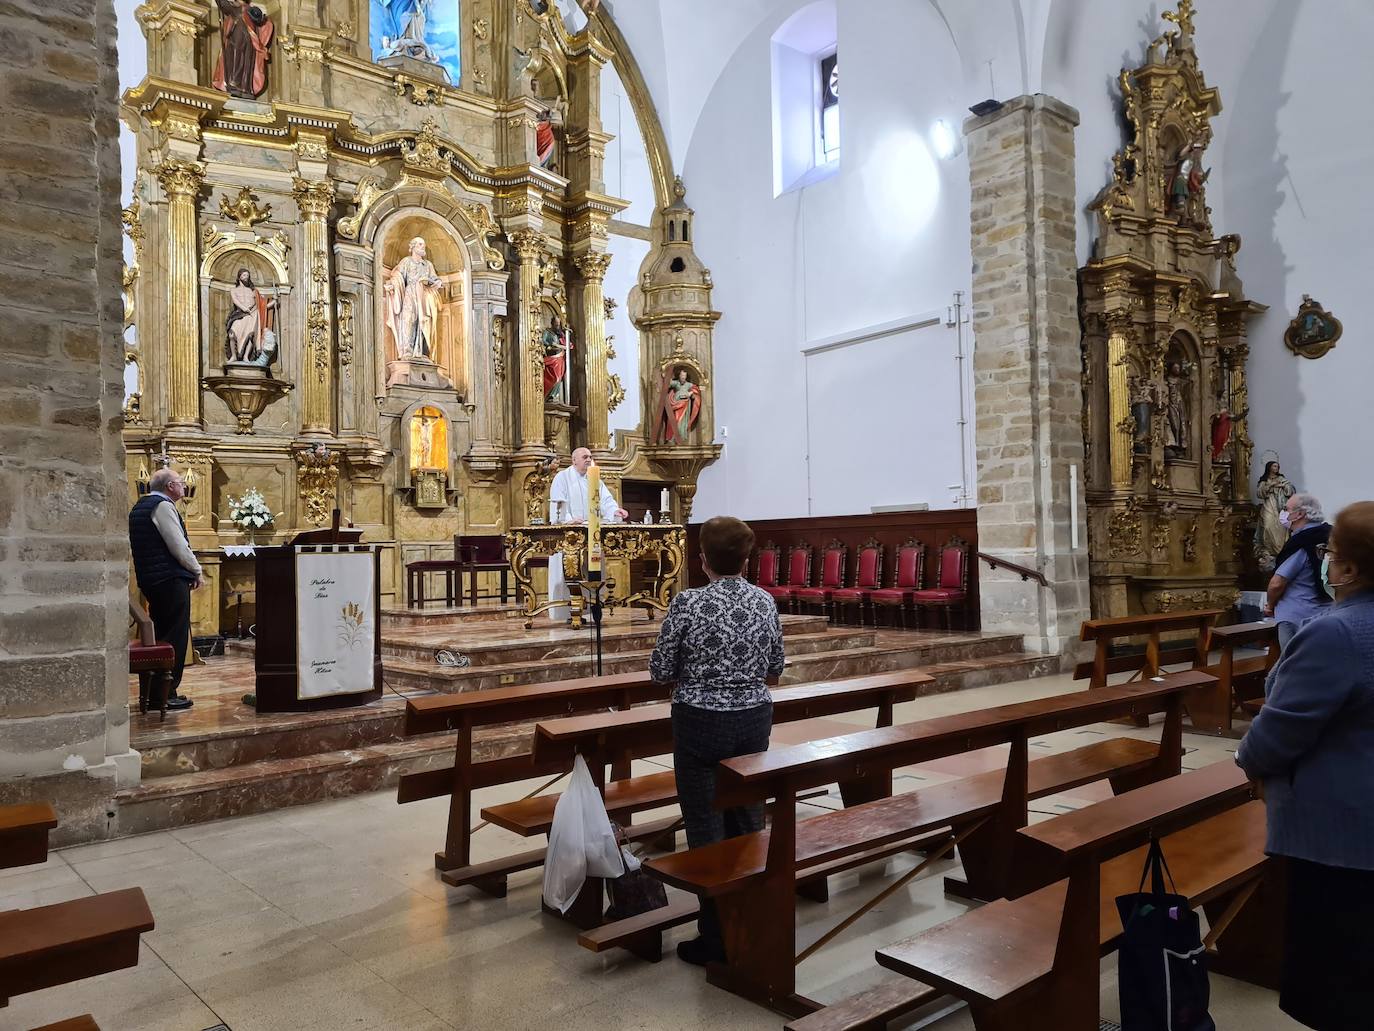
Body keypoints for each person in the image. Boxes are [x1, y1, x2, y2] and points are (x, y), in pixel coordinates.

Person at [1236, 501, 1374, 1031]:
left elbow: (1281, 729)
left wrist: (1249, 760)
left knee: (1338, 974)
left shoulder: (1336, 633)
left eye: (1330, 552)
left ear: (1352, 569)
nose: (1326, 561)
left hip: (1339, 836)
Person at [650, 516, 785, 966]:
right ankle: (753, 921)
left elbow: (661, 671)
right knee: (748, 819)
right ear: (746, 559)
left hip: (699, 723)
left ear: (702, 559)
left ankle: (715, 938)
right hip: (752, 719)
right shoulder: (764, 601)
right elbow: (774, 667)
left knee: (706, 827)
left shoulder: (687, 604)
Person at [128, 469, 205, 711]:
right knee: (175, 636)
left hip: (153, 579)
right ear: (170, 485)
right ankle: (166, 693)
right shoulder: (162, 506)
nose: (184, 487)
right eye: (181, 483)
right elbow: (177, 544)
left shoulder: (141, 506)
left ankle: (155, 693)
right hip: (169, 580)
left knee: (162, 632)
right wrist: (196, 570)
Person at [546, 448, 627, 621]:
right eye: (585, 457)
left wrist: (615, 511)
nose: (589, 459)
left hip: (592, 537)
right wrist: (568, 520)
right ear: (574, 460)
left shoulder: (594, 478)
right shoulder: (563, 478)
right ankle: (568, 611)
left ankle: (591, 609)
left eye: (591, 457)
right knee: (569, 573)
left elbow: (605, 501)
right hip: (569, 537)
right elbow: (558, 504)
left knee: (592, 572)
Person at [1265, 492, 1332, 651]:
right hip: (1328, 611)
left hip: (1297, 616)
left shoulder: (1302, 541)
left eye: (1287, 509)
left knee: (1292, 666)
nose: (1284, 513)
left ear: (1300, 514)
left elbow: (1277, 583)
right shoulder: (1331, 535)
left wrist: (1270, 604)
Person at [1255, 460, 1296, 570]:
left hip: (1280, 507)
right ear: (1269, 467)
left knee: (1282, 527)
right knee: (1267, 526)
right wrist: (1270, 485)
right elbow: (1259, 493)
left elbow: (1291, 491)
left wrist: (1283, 486)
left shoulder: (1282, 479)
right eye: (1274, 466)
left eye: (1277, 466)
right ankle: (1268, 551)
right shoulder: (1264, 480)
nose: (1276, 468)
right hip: (1269, 505)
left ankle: (1281, 550)